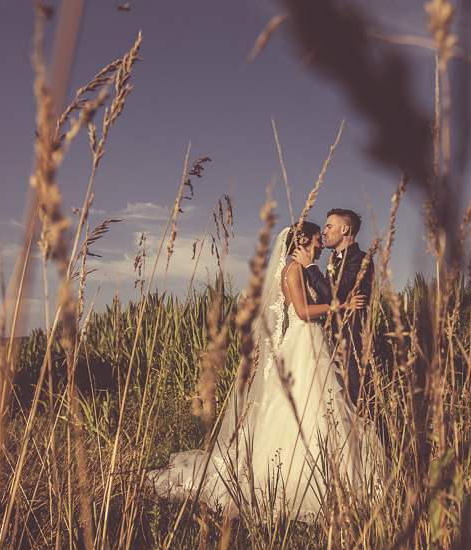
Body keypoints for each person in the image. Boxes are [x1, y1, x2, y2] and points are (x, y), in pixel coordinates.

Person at [148, 221, 375, 522]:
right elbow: (302, 312)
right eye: (317, 239)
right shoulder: (293, 270)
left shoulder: (301, 268)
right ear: (304, 241)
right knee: (306, 407)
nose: (321, 244)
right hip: (303, 343)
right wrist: (341, 305)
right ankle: (298, 476)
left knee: (319, 407)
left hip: (312, 341)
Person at [297, 208, 373, 406]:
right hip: (333, 342)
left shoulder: (360, 259)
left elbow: (332, 294)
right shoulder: (336, 261)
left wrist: (309, 266)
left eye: (329, 226)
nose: (324, 232)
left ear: (345, 229)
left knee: (358, 401)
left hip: (352, 342)